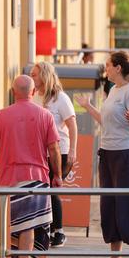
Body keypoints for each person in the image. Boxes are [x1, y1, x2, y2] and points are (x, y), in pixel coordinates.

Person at [75, 51, 129, 258]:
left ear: (118, 68)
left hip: (128, 153)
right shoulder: (113, 91)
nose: (105, 69)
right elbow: (106, 121)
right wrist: (87, 106)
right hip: (108, 153)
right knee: (110, 206)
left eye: (108, 65)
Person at [0, 75, 62, 258]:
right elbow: (54, 149)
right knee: (28, 226)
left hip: (8, 179)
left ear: (13, 92)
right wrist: (57, 175)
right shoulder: (45, 115)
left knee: (7, 225)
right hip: (36, 178)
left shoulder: (2, 115)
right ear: (33, 92)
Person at [30, 62, 78, 248]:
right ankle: (45, 230)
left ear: (44, 76)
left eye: (34, 75)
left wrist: (73, 150)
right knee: (42, 189)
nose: (32, 78)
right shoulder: (34, 97)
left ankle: (59, 231)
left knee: (51, 188)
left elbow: (72, 125)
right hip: (40, 152)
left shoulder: (60, 98)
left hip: (60, 151)